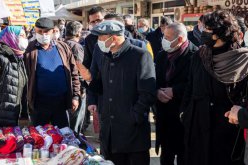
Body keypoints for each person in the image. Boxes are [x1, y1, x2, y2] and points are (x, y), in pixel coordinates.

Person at [77, 20, 156, 165]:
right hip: (110, 133)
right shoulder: (107, 56)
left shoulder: (140, 55)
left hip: (133, 135)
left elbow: (148, 93)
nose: (98, 43)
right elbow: (102, 88)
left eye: (100, 38)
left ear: (112, 38)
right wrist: (88, 79)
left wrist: (134, 117)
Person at [181, 10, 248, 165]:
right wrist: (184, 113)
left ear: (220, 33)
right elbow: (190, 87)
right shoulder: (200, 56)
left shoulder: (242, 59)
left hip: (227, 133)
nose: (203, 32)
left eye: (208, 29)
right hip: (197, 128)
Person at [24, 18, 80, 128]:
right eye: (40, 31)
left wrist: (75, 97)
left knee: (62, 136)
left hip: (61, 102)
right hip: (39, 103)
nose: (43, 34)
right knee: (39, 137)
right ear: (35, 31)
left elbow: (73, 72)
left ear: (53, 31)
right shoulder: (29, 50)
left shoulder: (63, 47)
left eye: (46, 32)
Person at [155, 22, 198, 165]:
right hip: (164, 116)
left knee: (184, 156)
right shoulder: (162, 56)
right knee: (166, 156)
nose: (164, 40)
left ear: (179, 39)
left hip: (184, 117)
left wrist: (174, 91)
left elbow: (196, 85)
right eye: (164, 36)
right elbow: (154, 79)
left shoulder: (196, 56)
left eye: (167, 37)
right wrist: (157, 92)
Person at [64, 21, 86, 133]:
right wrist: (81, 89)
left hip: (65, 86)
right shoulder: (76, 47)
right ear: (78, 33)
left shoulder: (61, 43)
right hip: (75, 88)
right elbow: (79, 69)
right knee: (75, 120)